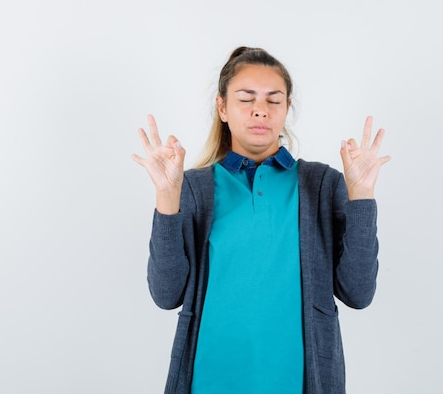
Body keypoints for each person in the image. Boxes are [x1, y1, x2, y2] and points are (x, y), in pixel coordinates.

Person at [131, 46, 391, 394]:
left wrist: (361, 195)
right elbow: (166, 294)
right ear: (222, 108)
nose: (260, 111)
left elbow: (358, 293)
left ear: (287, 108)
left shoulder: (322, 184)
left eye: (273, 100)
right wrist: (167, 195)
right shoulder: (193, 188)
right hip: (210, 379)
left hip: (296, 382)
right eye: (246, 98)